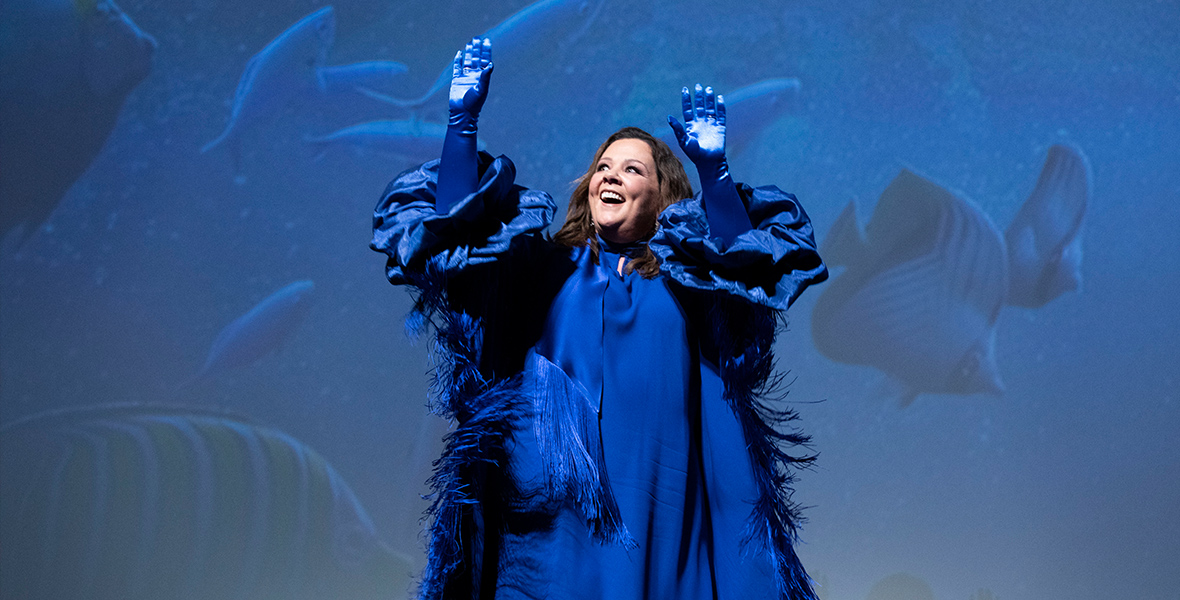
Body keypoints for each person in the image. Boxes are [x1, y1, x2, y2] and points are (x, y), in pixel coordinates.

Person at [371, 37, 828, 600]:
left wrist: (715, 171)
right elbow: (451, 231)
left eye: (632, 169)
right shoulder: (541, 266)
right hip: (543, 535)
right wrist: (461, 124)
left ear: (662, 197)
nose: (609, 177)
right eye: (602, 167)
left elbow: (745, 263)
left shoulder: (688, 279)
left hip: (659, 518)